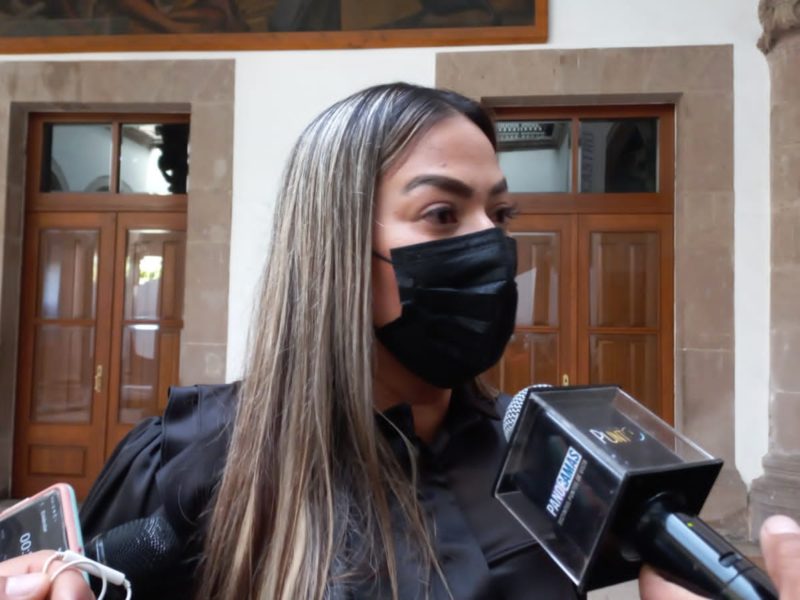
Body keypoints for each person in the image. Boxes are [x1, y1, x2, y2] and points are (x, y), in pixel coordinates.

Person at [1, 83, 799, 600]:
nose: (493, 244)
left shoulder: (541, 460)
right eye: (443, 214)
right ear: (336, 248)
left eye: (500, 214)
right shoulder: (196, 464)